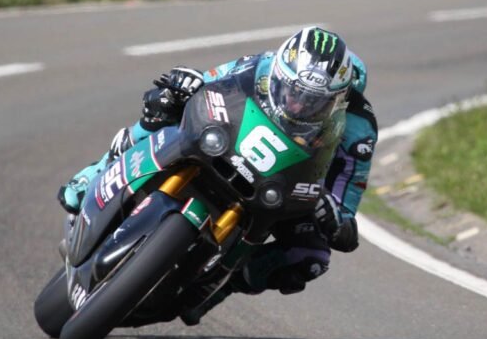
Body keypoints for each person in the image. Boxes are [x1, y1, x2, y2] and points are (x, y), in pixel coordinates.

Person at [57, 26, 377, 323]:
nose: (298, 104)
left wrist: (333, 216)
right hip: (230, 144)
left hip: (288, 186)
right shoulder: (262, 64)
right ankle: (96, 172)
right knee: (165, 105)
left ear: (340, 100)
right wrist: (187, 83)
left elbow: (346, 215)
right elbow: (211, 80)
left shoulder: (359, 133)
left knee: (311, 257)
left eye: (314, 102)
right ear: (280, 71)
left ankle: (223, 285)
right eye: (293, 90)